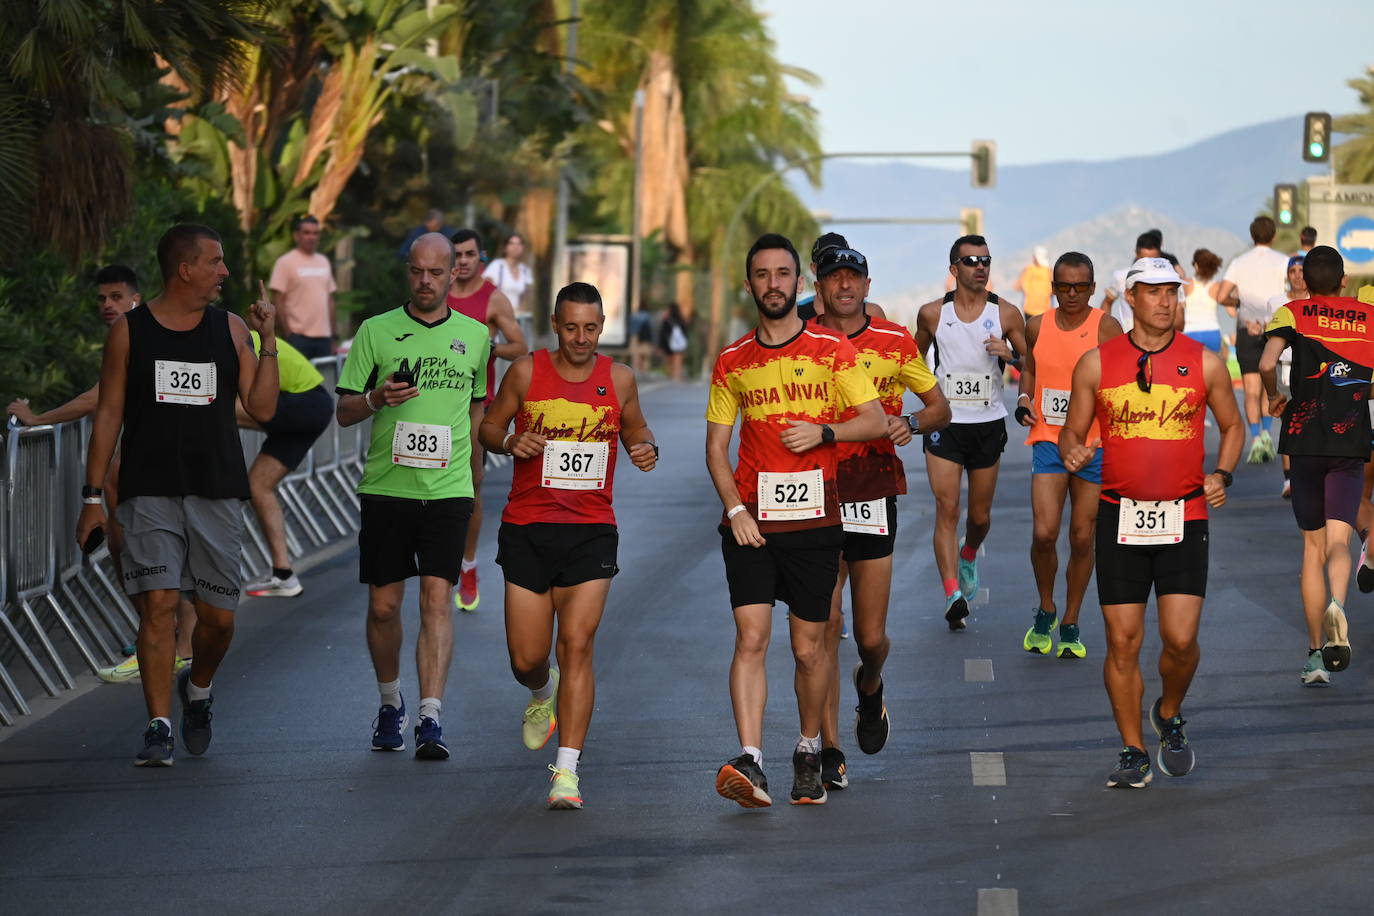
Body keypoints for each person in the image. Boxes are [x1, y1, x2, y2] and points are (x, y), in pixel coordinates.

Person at [75, 224, 281, 767]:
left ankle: (199, 688)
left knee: (219, 620)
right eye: (215, 262)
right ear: (185, 269)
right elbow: (109, 415)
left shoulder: (230, 328)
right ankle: (158, 726)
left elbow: (263, 408)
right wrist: (92, 497)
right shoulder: (130, 332)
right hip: (148, 490)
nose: (225, 272)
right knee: (159, 606)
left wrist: (268, 340)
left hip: (216, 490)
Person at [707, 233, 884, 808]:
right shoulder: (732, 360)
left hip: (814, 524)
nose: (773, 284)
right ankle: (750, 760)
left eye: (783, 274)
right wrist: (735, 509)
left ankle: (809, 751)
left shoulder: (832, 350)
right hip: (752, 525)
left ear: (799, 283)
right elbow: (716, 448)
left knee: (809, 650)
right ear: (750, 285)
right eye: (762, 275)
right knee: (751, 638)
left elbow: (874, 419)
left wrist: (826, 432)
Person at [1060, 256, 1242, 789]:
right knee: (1122, 641)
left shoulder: (1204, 362)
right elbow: (1071, 430)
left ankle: (1168, 710)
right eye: (1154, 291)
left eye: (1172, 291)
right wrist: (1072, 450)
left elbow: (1233, 426)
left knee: (1180, 641)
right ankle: (1133, 749)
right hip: (1120, 516)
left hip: (1185, 515)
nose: (1166, 301)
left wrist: (1222, 474)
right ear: (1131, 297)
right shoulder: (1096, 363)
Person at [477, 281, 658, 810]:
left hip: (591, 530)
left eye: (591, 328)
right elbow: (488, 426)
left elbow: (637, 430)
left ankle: (567, 773)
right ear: (555, 325)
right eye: (572, 327)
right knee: (527, 658)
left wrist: (644, 448)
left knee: (577, 645)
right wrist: (510, 440)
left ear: (602, 327)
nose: (581, 338)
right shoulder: (526, 371)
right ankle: (541, 692)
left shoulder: (618, 378)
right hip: (528, 528)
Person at [335, 232, 491, 760]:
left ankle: (430, 716)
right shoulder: (375, 331)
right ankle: (389, 702)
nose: (425, 281)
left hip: (448, 490)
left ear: (454, 274)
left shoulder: (475, 336)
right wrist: (377, 398)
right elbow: (344, 411)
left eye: (436, 273)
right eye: (417, 272)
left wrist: (475, 473)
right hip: (387, 488)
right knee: (384, 607)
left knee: (436, 600)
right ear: (409, 272)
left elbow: (476, 410)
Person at [8, 266, 197, 682]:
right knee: (147, 555)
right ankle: (166, 643)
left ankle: (170, 647)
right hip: (152, 469)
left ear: (135, 298)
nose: (107, 305)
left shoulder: (141, 332)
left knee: (147, 556)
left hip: (160, 471)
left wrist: (38, 418)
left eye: (116, 297)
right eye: (101, 298)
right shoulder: (138, 331)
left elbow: (96, 399)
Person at [811, 246, 949, 790]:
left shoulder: (894, 341)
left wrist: (910, 424)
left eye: (853, 277)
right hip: (813, 493)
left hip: (872, 490)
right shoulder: (802, 340)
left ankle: (870, 686)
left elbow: (940, 407)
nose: (844, 285)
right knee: (824, 626)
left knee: (869, 638)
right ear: (820, 288)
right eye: (834, 277)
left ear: (867, 286)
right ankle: (828, 749)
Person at [1259, 246, 1374, 686]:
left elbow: (1266, 362)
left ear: (1303, 281)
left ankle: (1314, 657)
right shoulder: (1368, 316)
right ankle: (1338, 605)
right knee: (1339, 541)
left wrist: (1274, 394)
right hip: (1349, 441)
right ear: (1344, 280)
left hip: (1304, 440)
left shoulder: (1292, 312)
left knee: (1312, 548)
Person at [914, 235, 1029, 630]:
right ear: (954, 269)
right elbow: (911, 360)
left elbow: (1032, 364)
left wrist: (1011, 356)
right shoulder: (932, 314)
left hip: (987, 423)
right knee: (947, 509)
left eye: (985, 260)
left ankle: (968, 553)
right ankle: (952, 594)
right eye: (971, 261)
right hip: (945, 425)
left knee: (979, 517)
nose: (980, 267)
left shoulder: (1006, 314)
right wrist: (928, 400)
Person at [1016, 252, 1123, 658]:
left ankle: (1071, 620)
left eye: (1080, 286)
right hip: (1048, 438)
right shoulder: (1037, 325)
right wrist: (1025, 398)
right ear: (1053, 288)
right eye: (1064, 286)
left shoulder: (1107, 327)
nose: (1072, 294)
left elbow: (1120, 385)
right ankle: (1046, 608)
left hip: (1093, 445)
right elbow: (1029, 368)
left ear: (1093, 288)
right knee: (1044, 533)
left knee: (1082, 536)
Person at [447, 229, 529, 612]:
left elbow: (521, 346)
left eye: (469, 254)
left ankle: (468, 565)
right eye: (457, 255)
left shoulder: (493, 298)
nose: (462, 261)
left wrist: (490, 348)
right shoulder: (436, 291)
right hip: (435, 405)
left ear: (480, 257)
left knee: (472, 486)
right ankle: (437, 562)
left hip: (476, 405)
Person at [239, 333, 334, 597]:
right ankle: (284, 575)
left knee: (211, 405)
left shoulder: (234, 338)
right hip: (312, 404)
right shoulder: (233, 333)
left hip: (304, 401)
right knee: (258, 486)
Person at [1214, 216, 1290, 465]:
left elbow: (1222, 296)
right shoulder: (1282, 261)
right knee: (1269, 387)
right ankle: (1268, 433)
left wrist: (1240, 303)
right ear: (1273, 236)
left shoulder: (1239, 263)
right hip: (1274, 329)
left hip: (1247, 328)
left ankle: (1256, 438)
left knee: (1251, 389)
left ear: (1252, 235)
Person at [1267, 253, 1309, 499]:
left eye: (1301, 271)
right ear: (1287, 275)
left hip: (1310, 367)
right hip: (1284, 367)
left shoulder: (1316, 302)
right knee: (1288, 420)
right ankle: (1289, 478)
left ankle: (1308, 473)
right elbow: (1270, 335)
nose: (1297, 276)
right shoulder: (1276, 302)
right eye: (1293, 271)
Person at [268, 215, 337, 360]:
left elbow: (329, 300)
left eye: (315, 233)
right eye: (306, 233)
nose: (311, 237)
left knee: (323, 375)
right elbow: (278, 300)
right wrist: (288, 334)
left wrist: (333, 335)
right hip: (298, 337)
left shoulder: (324, 261)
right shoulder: (285, 262)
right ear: (296, 236)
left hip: (324, 338)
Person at [797, 232, 886, 322]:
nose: (835, 265)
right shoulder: (797, 313)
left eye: (841, 258)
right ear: (814, 268)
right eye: (825, 261)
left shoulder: (871, 312)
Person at [1101, 229, 1163, 330]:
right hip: (1128, 334)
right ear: (1136, 254)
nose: (1148, 264)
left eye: (1152, 260)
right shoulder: (1122, 277)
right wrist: (1106, 330)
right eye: (1143, 260)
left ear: (1159, 255)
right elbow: (1107, 302)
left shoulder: (1167, 281)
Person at [482, 231, 535, 330]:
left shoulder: (525, 270)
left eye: (519, 244)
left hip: (518, 320)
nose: (516, 247)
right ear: (505, 248)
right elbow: (484, 290)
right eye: (512, 243)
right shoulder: (497, 266)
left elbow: (527, 296)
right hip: (497, 319)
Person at [1181, 249, 1225, 355]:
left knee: (1190, 365)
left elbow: (1180, 306)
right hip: (1212, 332)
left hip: (1190, 332)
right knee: (1212, 364)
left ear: (1196, 266)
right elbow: (1232, 312)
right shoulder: (1218, 286)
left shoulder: (1186, 283)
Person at [1014, 246, 1053, 318]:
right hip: (1032, 310)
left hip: (1042, 310)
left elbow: (1017, 287)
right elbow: (1017, 287)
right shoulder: (1029, 270)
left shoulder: (1048, 271)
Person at [658, 301, 690, 382]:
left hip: (668, 344)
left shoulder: (667, 320)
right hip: (680, 344)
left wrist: (661, 345)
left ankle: (671, 376)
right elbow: (685, 332)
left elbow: (662, 333)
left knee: (669, 361)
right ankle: (677, 377)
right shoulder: (681, 320)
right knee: (678, 360)